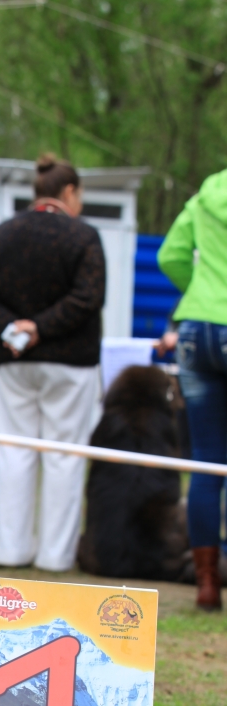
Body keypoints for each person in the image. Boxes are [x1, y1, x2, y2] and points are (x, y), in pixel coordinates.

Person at [0, 153, 106, 572]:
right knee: (64, 455)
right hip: (70, 361)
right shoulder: (84, 237)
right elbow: (88, 298)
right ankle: (55, 555)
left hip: (12, 361)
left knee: (14, 450)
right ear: (69, 192)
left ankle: (9, 549)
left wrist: (13, 329)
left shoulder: (1, 234)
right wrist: (41, 327)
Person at [157, 165, 227, 610]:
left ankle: (206, 583)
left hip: (195, 327)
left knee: (206, 461)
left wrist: (199, 291)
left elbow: (170, 256)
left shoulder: (208, 191)